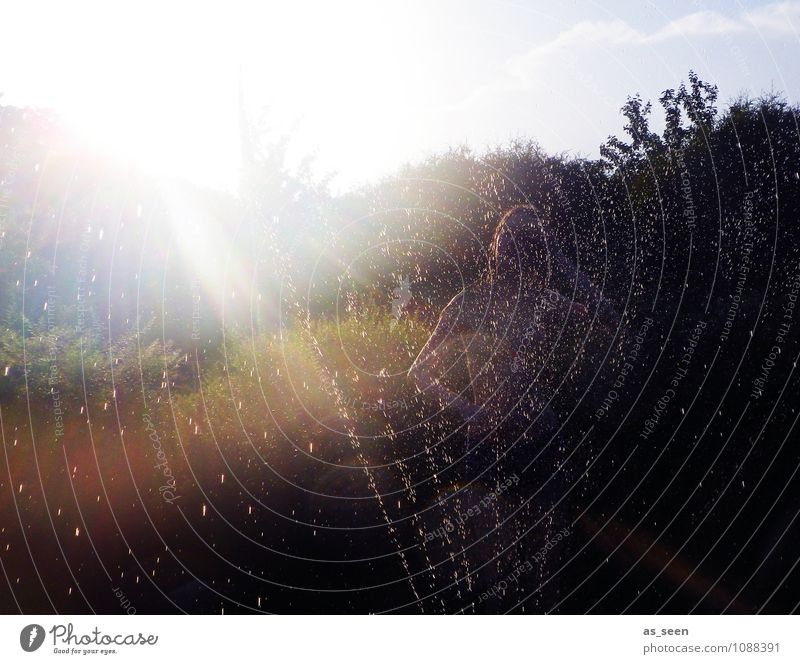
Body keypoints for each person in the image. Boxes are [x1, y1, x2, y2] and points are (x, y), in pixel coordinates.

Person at [408, 205, 617, 611]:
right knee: (491, 575)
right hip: (485, 447)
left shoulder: (546, 300)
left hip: (541, 440)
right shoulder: (468, 303)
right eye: (510, 238)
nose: (518, 247)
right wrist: (469, 413)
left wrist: (561, 261)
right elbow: (419, 372)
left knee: (545, 572)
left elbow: (606, 315)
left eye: (530, 239)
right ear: (496, 246)